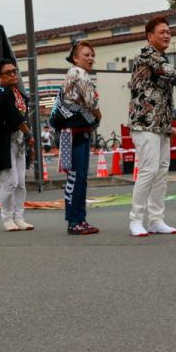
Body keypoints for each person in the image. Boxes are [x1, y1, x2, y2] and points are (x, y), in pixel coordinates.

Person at [126, 17, 176, 238]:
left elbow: (164, 95)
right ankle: (136, 220)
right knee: (148, 170)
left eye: (168, 32)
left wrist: (170, 123)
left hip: (161, 125)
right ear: (150, 36)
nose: (167, 35)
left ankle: (156, 219)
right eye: (162, 32)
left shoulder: (162, 58)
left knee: (161, 171)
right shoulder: (147, 55)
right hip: (144, 123)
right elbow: (168, 71)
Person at [0, 59, 36, 233]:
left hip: (17, 140)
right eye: (8, 72)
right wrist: (28, 133)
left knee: (20, 182)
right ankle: (7, 218)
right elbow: (13, 116)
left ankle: (19, 217)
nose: (13, 74)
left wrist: (25, 135)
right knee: (9, 181)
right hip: (2, 141)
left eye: (15, 71)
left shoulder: (17, 92)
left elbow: (21, 117)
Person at [55, 43, 100, 235]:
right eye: (86, 55)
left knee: (78, 177)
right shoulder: (78, 72)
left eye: (92, 55)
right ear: (75, 58)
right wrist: (99, 115)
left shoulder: (73, 74)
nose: (91, 58)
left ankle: (80, 219)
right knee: (76, 177)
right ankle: (75, 221)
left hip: (70, 133)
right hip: (74, 134)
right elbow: (91, 101)